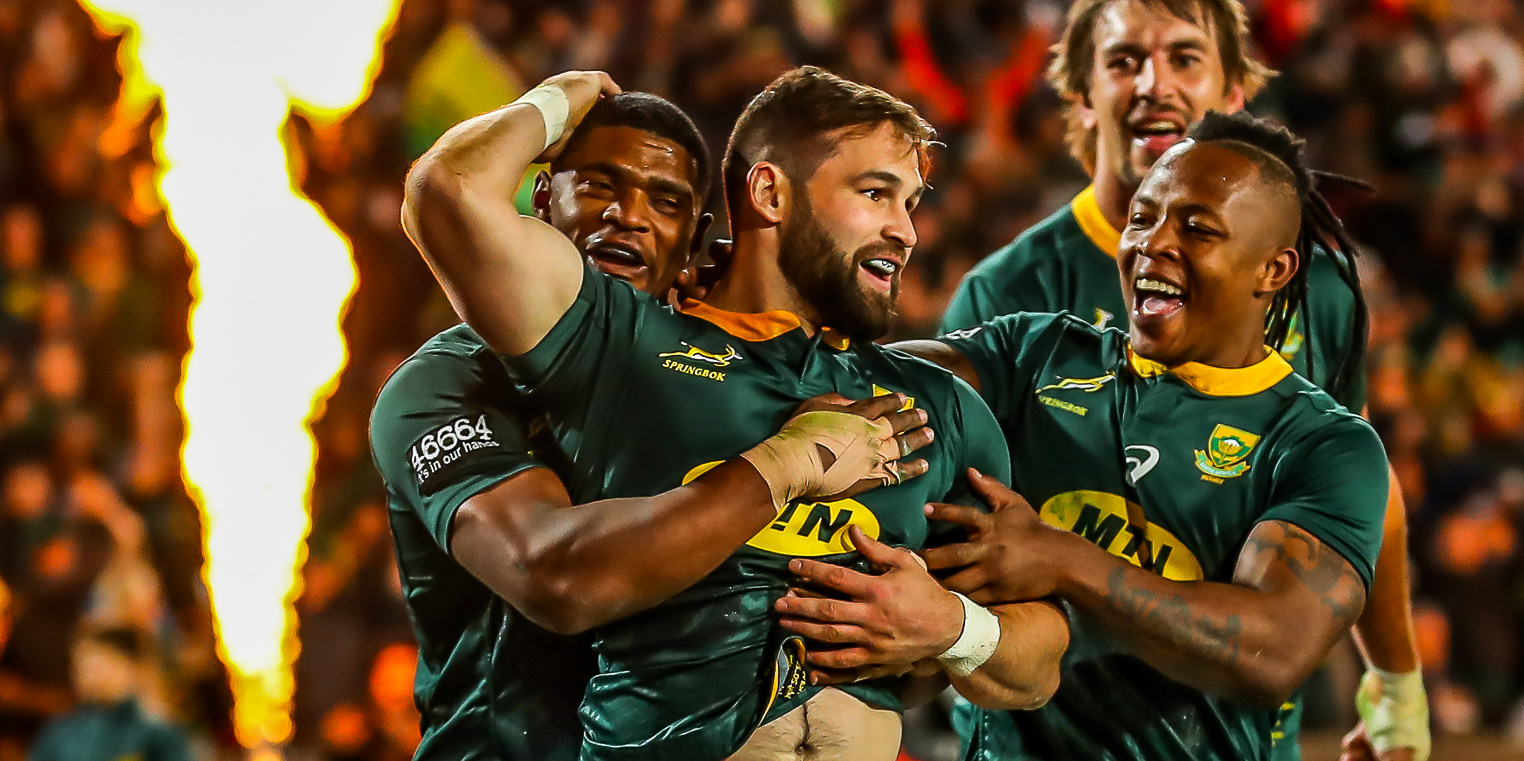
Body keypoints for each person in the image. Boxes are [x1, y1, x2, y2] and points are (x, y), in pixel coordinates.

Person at [401, 66, 1071, 761]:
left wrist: (952, 629)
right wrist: (563, 95)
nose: (904, 230)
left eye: (910, 202)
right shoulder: (621, 343)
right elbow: (447, 191)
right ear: (770, 192)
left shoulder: (936, 405)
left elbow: (1040, 655)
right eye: (875, 194)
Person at [781, 111, 1391, 760]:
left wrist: (1066, 561)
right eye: (1142, 218)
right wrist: (739, 317)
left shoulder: (1323, 445)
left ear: (1273, 269)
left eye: (1197, 228)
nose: (1153, 243)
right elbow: (867, 376)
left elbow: (1272, 652)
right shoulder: (1035, 355)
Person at [939, 1, 1427, 759]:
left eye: (1185, 58)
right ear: (1082, 92)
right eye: (1125, 59)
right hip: (1034, 719)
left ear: (1233, 92)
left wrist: (1394, 685)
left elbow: (1367, 498)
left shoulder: (1321, 294)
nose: (1154, 83)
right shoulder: (1012, 294)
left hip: (1228, 719)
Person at [27, 626, 190, 761]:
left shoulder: (154, 730)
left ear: (129, 668)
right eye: (83, 669)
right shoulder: (59, 735)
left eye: (101, 666)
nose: (92, 677)